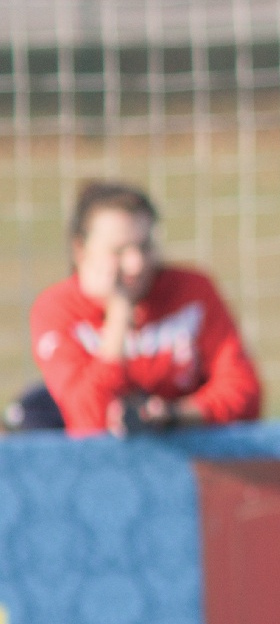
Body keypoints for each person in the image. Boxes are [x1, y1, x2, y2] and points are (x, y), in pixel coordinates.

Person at [28, 180, 262, 436]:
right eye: (118, 251)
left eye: (145, 246)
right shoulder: (57, 309)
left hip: (186, 445)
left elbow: (244, 391)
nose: (136, 264)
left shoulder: (192, 293)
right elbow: (88, 420)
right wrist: (119, 313)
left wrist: (175, 415)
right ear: (81, 251)